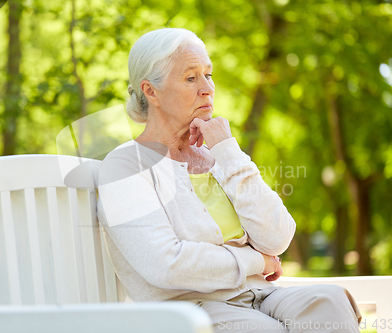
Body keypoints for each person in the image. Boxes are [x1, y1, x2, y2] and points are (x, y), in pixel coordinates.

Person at [96, 27, 362, 332]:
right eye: (191, 78)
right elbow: (166, 264)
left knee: (331, 302)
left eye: (209, 75)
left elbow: (278, 238)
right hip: (188, 311)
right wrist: (257, 262)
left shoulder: (219, 157)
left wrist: (228, 151)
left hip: (260, 295)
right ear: (151, 91)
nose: (207, 88)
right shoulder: (125, 167)